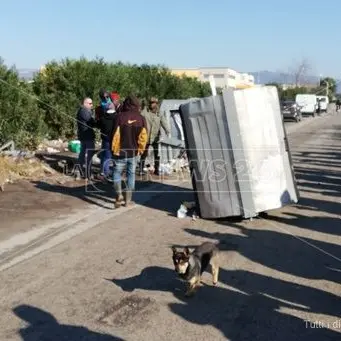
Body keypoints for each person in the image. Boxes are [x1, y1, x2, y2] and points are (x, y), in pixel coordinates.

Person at [111, 94, 148, 207]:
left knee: (116, 173)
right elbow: (144, 137)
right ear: (137, 104)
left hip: (120, 152)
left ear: (126, 104)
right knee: (131, 174)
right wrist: (141, 150)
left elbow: (114, 135)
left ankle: (119, 195)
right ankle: (128, 201)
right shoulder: (141, 118)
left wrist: (113, 150)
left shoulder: (119, 117)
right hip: (133, 152)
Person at [140, 97, 170, 175]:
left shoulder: (159, 113)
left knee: (157, 154)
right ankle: (140, 170)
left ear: (156, 104)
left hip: (155, 137)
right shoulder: (145, 112)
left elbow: (164, 122)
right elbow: (139, 118)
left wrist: (167, 131)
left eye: (154, 103)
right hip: (146, 136)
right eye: (151, 103)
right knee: (144, 153)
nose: (152, 104)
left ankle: (157, 170)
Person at [96, 89, 118, 179]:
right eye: (104, 97)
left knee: (108, 155)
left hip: (109, 138)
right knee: (106, 155)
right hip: (108, 137)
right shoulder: (99, 109)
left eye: (107, 96)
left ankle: (106, 172)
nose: (106, 98)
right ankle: (104, 171)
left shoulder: (114, 115)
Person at [76, 97, 96, 179]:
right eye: (90, 103)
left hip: (83, 136)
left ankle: (79, 172)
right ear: (85, 103)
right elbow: (91, 122)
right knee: (89, 155)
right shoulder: (84, 111)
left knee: (82, 154)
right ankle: (88, 174)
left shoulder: (82, 111)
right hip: (87, 136)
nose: (92, 105)